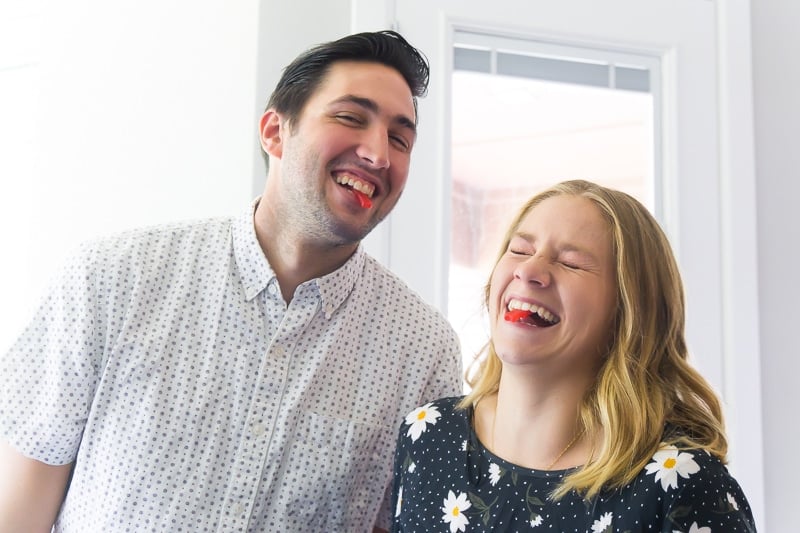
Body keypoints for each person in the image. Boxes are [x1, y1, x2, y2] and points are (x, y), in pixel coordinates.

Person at [0, 30, 462, 532]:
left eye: (400, 138)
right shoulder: (114, 278)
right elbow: (20, 507)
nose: (378, 154)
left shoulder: (425, 352)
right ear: (274, 132)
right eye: (351, 117)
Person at [391, 179, 756, 532]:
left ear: (627, 314)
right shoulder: (426, 435)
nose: (529, 269)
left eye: (571, 262)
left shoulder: (680, 484)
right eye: (519, 249)